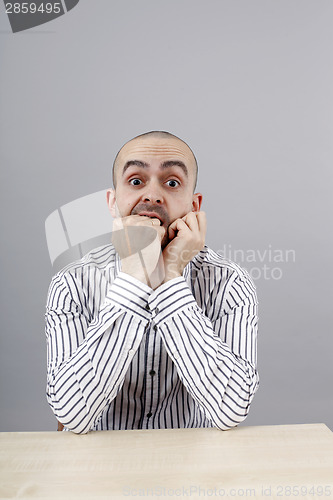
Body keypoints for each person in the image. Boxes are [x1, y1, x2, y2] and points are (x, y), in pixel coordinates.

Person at [45, 131, 259, 434]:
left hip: (195, 472)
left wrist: (169, 277)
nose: (153, 196)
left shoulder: (229, 282)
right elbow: (72, 415)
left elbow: (231, 409)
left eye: (172, 182)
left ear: (195, 206)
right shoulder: (72, 283)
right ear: (112, 201)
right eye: (136, 181)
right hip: (97, 471)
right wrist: (134, 275)